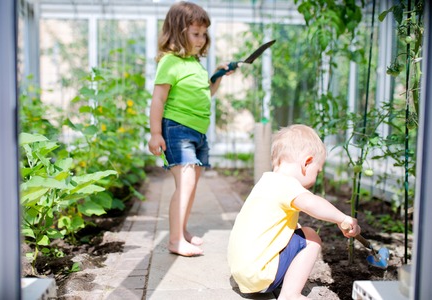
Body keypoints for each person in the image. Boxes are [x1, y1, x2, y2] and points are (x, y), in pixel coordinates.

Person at [227, 124, 361, 299]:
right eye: (317, 171)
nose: (316, 176)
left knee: (296, 232)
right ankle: (290, 295)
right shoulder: (287, 184)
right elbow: (313, 203)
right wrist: (342, 218)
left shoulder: (266, 182)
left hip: (241, 273)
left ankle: (280, 278)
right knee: (311, 237)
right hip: (259, 275)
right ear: (307, 162)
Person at [148, 1, 234, 257]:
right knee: (184, 183)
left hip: (198, 133)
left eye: (204, 34)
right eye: (195, 33)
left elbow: (206, 93)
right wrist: (155, 133)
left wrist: (217, 76)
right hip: (177, 130)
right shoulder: (170, 62)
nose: (201, 39)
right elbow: (158, 99)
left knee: (191, 185)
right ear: (178, 32)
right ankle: (175, 241)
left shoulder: (195, 64)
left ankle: (181, 230)